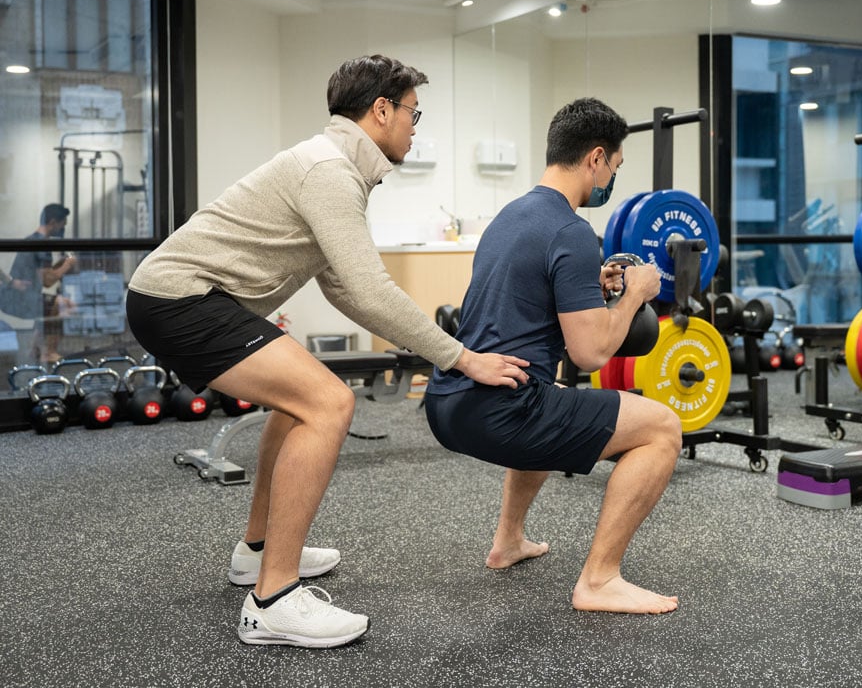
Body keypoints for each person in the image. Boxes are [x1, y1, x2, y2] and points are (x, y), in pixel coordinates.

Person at [125, 54, 530, 649]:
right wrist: (460, 357)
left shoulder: (336, 167)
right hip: (182, 300)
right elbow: (368, 288)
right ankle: (273, 600)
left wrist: (435, 349)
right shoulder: (329, 170)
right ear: (381, 110)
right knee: (329, 402)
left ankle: (257, 552)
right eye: (413, 113)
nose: (416, 127)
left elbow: (344, 288)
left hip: (183, 299)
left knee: (298, 405)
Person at [424, 98, 683, 615]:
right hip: (500, 410)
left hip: (447, 401)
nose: (612, 177)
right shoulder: (572, 231)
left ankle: (508, 542)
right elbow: (589, 354)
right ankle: (600, 580)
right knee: (663, 428)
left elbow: (533, 302)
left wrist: (592, 283)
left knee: (556, 398)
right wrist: (634, 293)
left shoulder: (511, 215)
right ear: (595, 158)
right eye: (615, 165)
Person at [6, 204, 77, 364]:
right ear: (53, 222)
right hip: (20, 298)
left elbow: (43, 275)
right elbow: (47, 280)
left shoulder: (34, 239)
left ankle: (35, 349)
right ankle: (48, 352)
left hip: (20, 296)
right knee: (64, 305)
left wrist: (60, 264)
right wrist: (68, 264)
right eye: (62, 225)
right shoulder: (42, 246)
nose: (62, 229)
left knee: (50, 306)